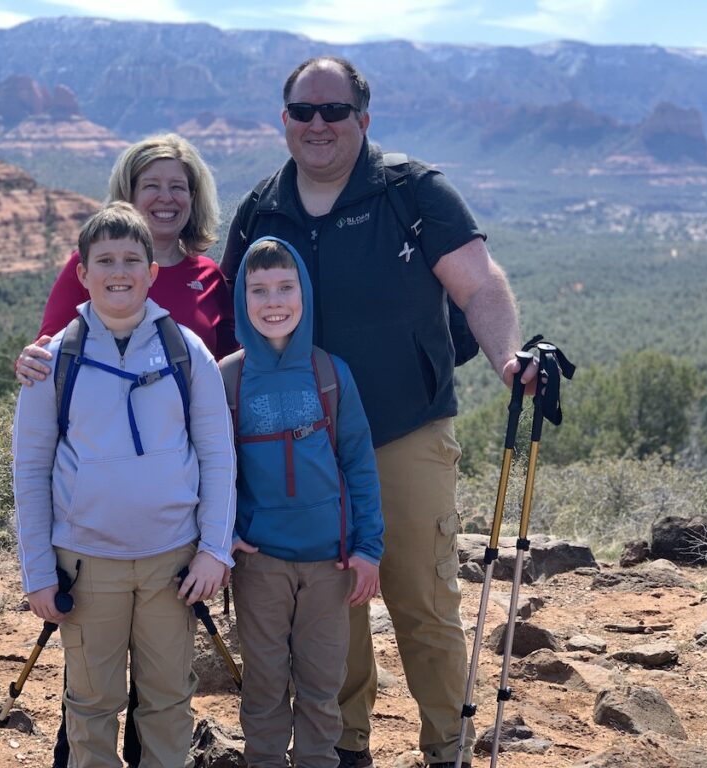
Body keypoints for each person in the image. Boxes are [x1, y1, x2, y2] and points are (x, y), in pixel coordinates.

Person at [220, 56, 537, 768]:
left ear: (364, 119)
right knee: (337, 609)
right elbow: (226, 326)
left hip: (406, 431)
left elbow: (479, 284)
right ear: (285, 122)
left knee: (423, 602)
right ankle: (346, 747)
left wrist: (507, 359)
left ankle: (446, 747)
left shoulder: (411, 191)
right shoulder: (263, 210)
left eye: (335, 110)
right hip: (298, 447)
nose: (319, 124)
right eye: (304, 111)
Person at [13, 133, 236, 768]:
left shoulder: (186, 348)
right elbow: (30, 466)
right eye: (104, 262)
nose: (118, 273)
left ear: (152, 273)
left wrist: (216, 546)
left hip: (174, 561)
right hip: (87, 563)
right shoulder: (58, 359)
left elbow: (217, 451)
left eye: (130, 262)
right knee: (90, 705)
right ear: (81, 272)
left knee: (168, 704)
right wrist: (36, 570)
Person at [226, 236, 384, 768]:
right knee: (264, 687)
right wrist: (221, 536)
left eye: (285, 288)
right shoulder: (228, 378)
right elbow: (210, 469)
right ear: (242, 299)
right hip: (260, 563)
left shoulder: (330, 374)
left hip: (330, 564)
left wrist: (369, 548)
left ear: (305, 294)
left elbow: (359, 464)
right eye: (259, 290)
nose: (274, 301)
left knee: (322, 689)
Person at [16, 132, 236, 387]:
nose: (166, 197)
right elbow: (46, 353)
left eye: (177, 186)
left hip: (188, 426)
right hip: (104, 422)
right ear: (128, 195)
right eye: (151, 185)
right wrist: (26, 362)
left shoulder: (208, 276)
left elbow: (229, 368)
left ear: (193, 197)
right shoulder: (94, 267)